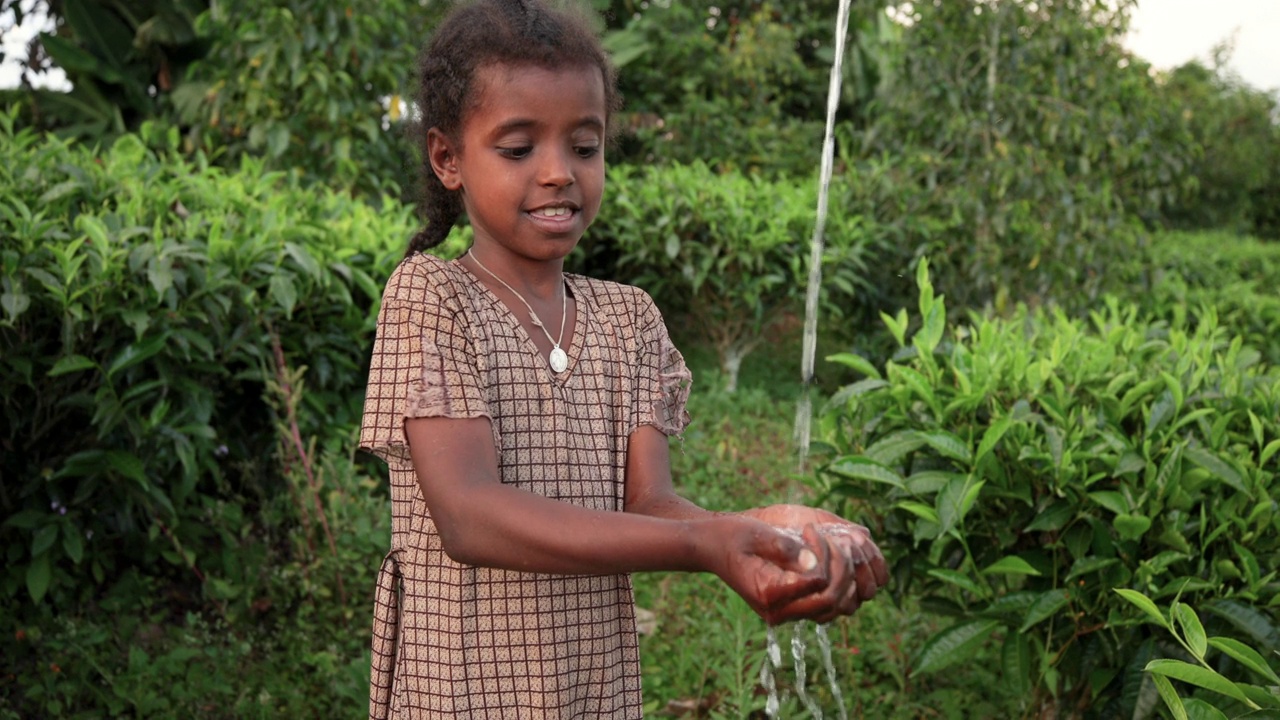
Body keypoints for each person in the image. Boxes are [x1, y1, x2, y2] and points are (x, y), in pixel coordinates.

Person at [357, 1, 889, 716]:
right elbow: (468, 514)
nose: (558, 174)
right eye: (518, 149)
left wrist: (764, 526)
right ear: (447, 158)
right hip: (465, 689)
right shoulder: (433, 296)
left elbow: (651, 503)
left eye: (585, 145)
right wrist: (705, 545)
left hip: (592, 688)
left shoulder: (627, 317)